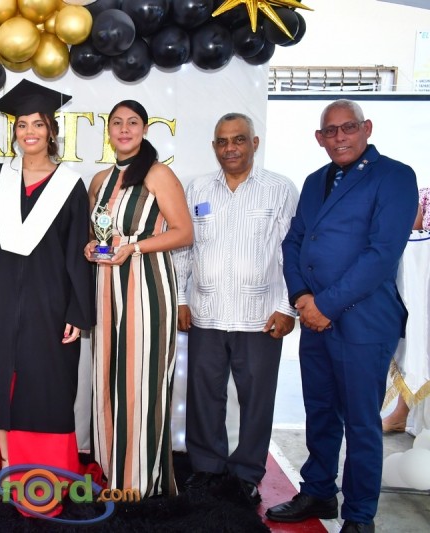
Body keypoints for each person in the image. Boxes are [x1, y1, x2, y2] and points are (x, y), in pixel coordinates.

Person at [268, 100, 418, 533]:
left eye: (348, 128)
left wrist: (324, 305)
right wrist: (302, 297)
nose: (339, 137)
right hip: (315, 319)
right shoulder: (315, 180)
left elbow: (381, 254)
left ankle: (359, 515)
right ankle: (318, 491)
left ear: (366, 128)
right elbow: (294, 242)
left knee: (361, 423)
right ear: (319, 138)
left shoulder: (394, 176)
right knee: (320, 411)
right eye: (330, 131)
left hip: (363, 322)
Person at [0, 80, 95, 516]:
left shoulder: (70, 186)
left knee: (46, 388)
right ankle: (9, 471)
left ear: (52, 130)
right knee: (2, 384)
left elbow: (78, 252)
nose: (29, 132)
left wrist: (77, 310)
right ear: (14, 131)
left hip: (49, 304)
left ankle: (49, 477)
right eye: (22, 124)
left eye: (38, 124)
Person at [173, 113, 298, 504]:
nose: (230, 148)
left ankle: (247, 473)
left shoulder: (279, 189)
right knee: (203, 395)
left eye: (239, 139)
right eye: (223, 141)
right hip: (206, 311)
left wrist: (287, 307)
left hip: (260, 316)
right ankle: (206, 468)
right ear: (214, 146)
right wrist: (180, 298)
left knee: (256, 400)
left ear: (254, 143)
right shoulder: (198, 188)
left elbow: (291, 252)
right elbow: (185, 247)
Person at [84, 100, 193, 498]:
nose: (124, 129)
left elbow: (184, 232)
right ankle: (113, 471)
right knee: (108, 380)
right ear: (109, 131)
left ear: (145, 129)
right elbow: (96, 234)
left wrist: (135, 247)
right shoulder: (99, 179)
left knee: (141, 382)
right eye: (117, 123)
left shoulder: (158, 173)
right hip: (105, 289)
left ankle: (140, 481)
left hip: (146, 287)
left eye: (133, 122)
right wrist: (89, 247)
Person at [381, 186, 430, 433]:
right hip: (423, 286)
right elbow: (413, 238)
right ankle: (402, 414)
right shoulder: (424, 195)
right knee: (420, 343)